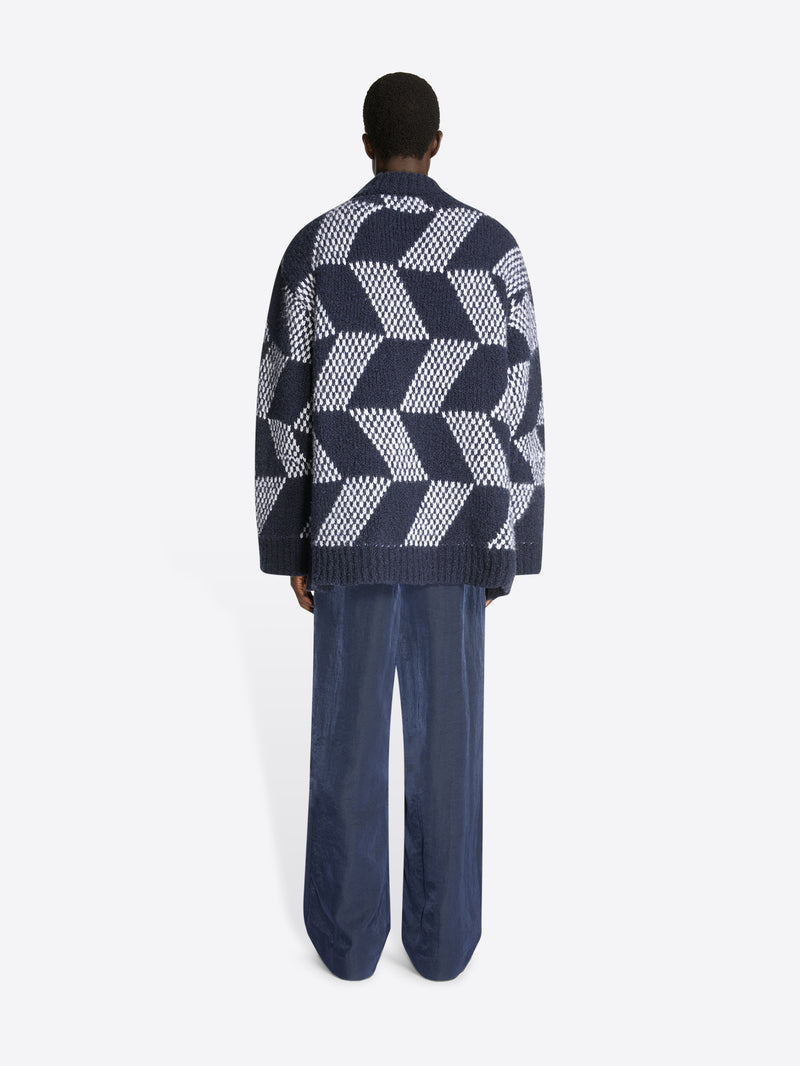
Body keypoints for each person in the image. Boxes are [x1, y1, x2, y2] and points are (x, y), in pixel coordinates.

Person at [254, 72, 545, 980]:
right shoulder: (495, 252)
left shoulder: (317, 248)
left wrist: (289, 537)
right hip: (460, 534)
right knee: (449, 751)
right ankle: (445, 944)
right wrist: (508, 545)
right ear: (438, 143)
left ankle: (345, 948)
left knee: (344, 747)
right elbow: (523, 411)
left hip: (348, 529)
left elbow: (281, 405)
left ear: (365, 143)